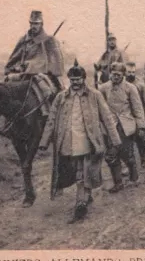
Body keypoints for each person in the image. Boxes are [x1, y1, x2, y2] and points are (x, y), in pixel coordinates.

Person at [38, 60, 121, 223]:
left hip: (89, 140)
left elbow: (107, 118)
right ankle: (85, 194)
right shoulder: (61, 97)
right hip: (68, 142)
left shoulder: (94, 95)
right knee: (77, 170)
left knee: (83, 172)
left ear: (84, 78)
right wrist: (44, 141)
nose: (75, 83)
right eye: (72, 80)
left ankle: (80, 204)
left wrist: (115, 140)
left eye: (78, 79)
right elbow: (52, 119)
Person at [99, 62, 145, 192]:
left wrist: (141, 126)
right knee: (110, 155)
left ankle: (134, 176)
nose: (115, 77)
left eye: (118, 75)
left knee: (127, 154)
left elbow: (138, 108)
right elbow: (99, 108)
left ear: (123, 75)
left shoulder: (130, 88)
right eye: (113, 75)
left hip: (126, 125)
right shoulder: (103, 88)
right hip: (110, 126)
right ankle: (118, 182)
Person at [4, 10, 65, 89]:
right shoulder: (24, 41)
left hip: (42, 76)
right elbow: (12, 61)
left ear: (41, 24)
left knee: (52, 93)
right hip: (23, 75)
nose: (33, 26)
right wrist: (15, 69)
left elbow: (58, 62)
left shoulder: (50, 40)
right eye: (31, 23)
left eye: (36, 23)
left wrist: (51, 71)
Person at [125, 62, 145, 168]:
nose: (131, 74)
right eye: (129, 72)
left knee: (140, 138)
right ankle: (130, 164)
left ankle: (143, 157)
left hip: (139, 116)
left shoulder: (141, 85)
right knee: (127, 142)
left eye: (133, 72)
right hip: (127, 116)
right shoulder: (122, 84)